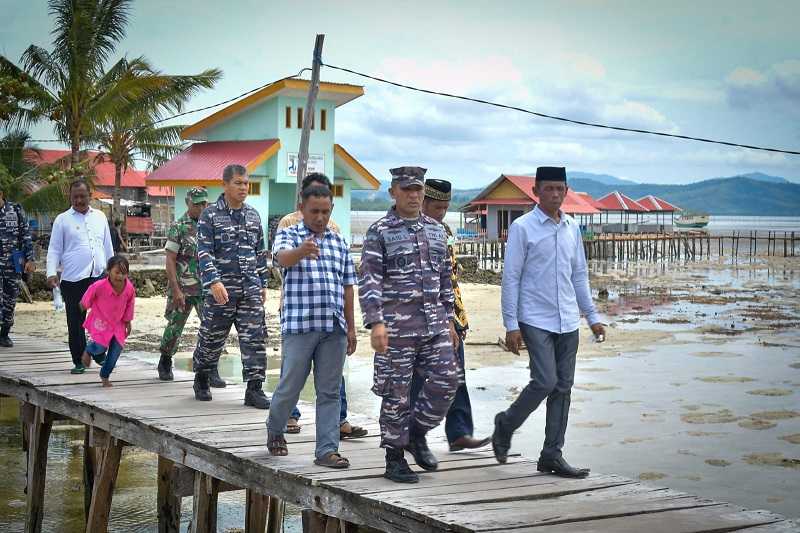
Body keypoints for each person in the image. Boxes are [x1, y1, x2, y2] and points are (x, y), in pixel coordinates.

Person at [492, 166, 606, 478]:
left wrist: (593, 318)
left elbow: (579, 275)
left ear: (567, 191)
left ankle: (551, 455)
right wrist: (511, 324)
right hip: (534, 317)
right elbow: (511, 277)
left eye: (560, 188)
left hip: (568, 320)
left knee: (563, 388)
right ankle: (506, 423)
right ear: (536, 192)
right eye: (549, 189)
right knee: (545, 381)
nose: (555, 194)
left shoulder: (572, 227)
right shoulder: (523, 227)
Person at [359, 166, 460, 484]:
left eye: (418, 189)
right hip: (396, 332)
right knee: (396, 395)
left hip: (434, 327)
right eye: (407, 190)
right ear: (394, 193)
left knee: (447, 382)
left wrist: (450, 322)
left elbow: (445, 278)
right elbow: (370, 280)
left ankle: (416, 434)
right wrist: (375, 323)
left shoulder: (436, 230)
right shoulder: (380, 231)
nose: (414, 195)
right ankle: (394, 458)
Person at [266, 185, 357, 468]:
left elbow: (348, 286)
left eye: (326, 212)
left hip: (334, 327)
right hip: (300, 326)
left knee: (329, 391)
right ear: (302, 209)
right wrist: (301, 251)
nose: (320, 218)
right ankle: (275, 427)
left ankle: (326, 451)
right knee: (290, 386)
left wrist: (351, 327)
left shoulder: (338, 241)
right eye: (314, 211)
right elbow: (279, 259)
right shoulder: (289, 233)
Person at [410, 178, 491, 451]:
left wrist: (456, 319)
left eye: (445, 208)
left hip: (451, 315)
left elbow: (450, 279)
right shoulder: (409, 231)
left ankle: (459, 433)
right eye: (436, 207)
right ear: (422, 203)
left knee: (456, 375)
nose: (441, 213)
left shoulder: (443, 231)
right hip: (417, 317)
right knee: (415, 378)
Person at [192, 164, 270, 409]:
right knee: (211, 339)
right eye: (238, 183)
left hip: (250, 291)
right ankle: (202, 377)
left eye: (246, 183)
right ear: (224, 185)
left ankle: (254, 389)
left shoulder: (254, 215)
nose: (243, 188)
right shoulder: (211, 215)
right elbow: (203, 251)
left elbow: (260, 252)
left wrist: (263, 282)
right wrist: (213, 281)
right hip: (221, 292)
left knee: (255, 340)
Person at [46, 180, 115, 373]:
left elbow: (108, 247)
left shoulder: (100, 217)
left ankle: (99, 350)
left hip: (99, 276)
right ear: (70, 197)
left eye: (82, 196)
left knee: (103, 316)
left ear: (89, 195)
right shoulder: (62, 220)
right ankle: (78, 360)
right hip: (72, 279)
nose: (79, 200)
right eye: (75, 197)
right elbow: (54, 249)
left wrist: (114, 271)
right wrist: (51, 272)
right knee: (76, 321)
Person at [157, 187, 209, 381]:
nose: (202, 207)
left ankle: (207, 367)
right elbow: (170, 260)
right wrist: (176, 290)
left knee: (211, 327)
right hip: (183, 288)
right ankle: (165, 361)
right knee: (175, 326)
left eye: (204, 203)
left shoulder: (209, 226)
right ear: (189, 203)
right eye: (197, 204)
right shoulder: (178, 227)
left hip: (205, 287)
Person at [80, 255, 135, 387]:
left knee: (114, 355)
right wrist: (84, 304)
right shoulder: (99, 286)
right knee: (99, 346)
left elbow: (130, 305)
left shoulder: (129, 289)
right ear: (108, 271)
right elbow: (88, 296)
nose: (120, 276)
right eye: (117, 272)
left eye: (123, 273)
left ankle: (105, 376)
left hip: (118, 325)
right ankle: (88, 351)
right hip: (101, 322)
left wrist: (128, 322)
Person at [0, 187, 35, 347]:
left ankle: (5, 333)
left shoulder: (15, 210)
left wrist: (29, 259)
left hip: (12, 263)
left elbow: (25, 235)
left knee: (10, 297)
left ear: (1, 194)